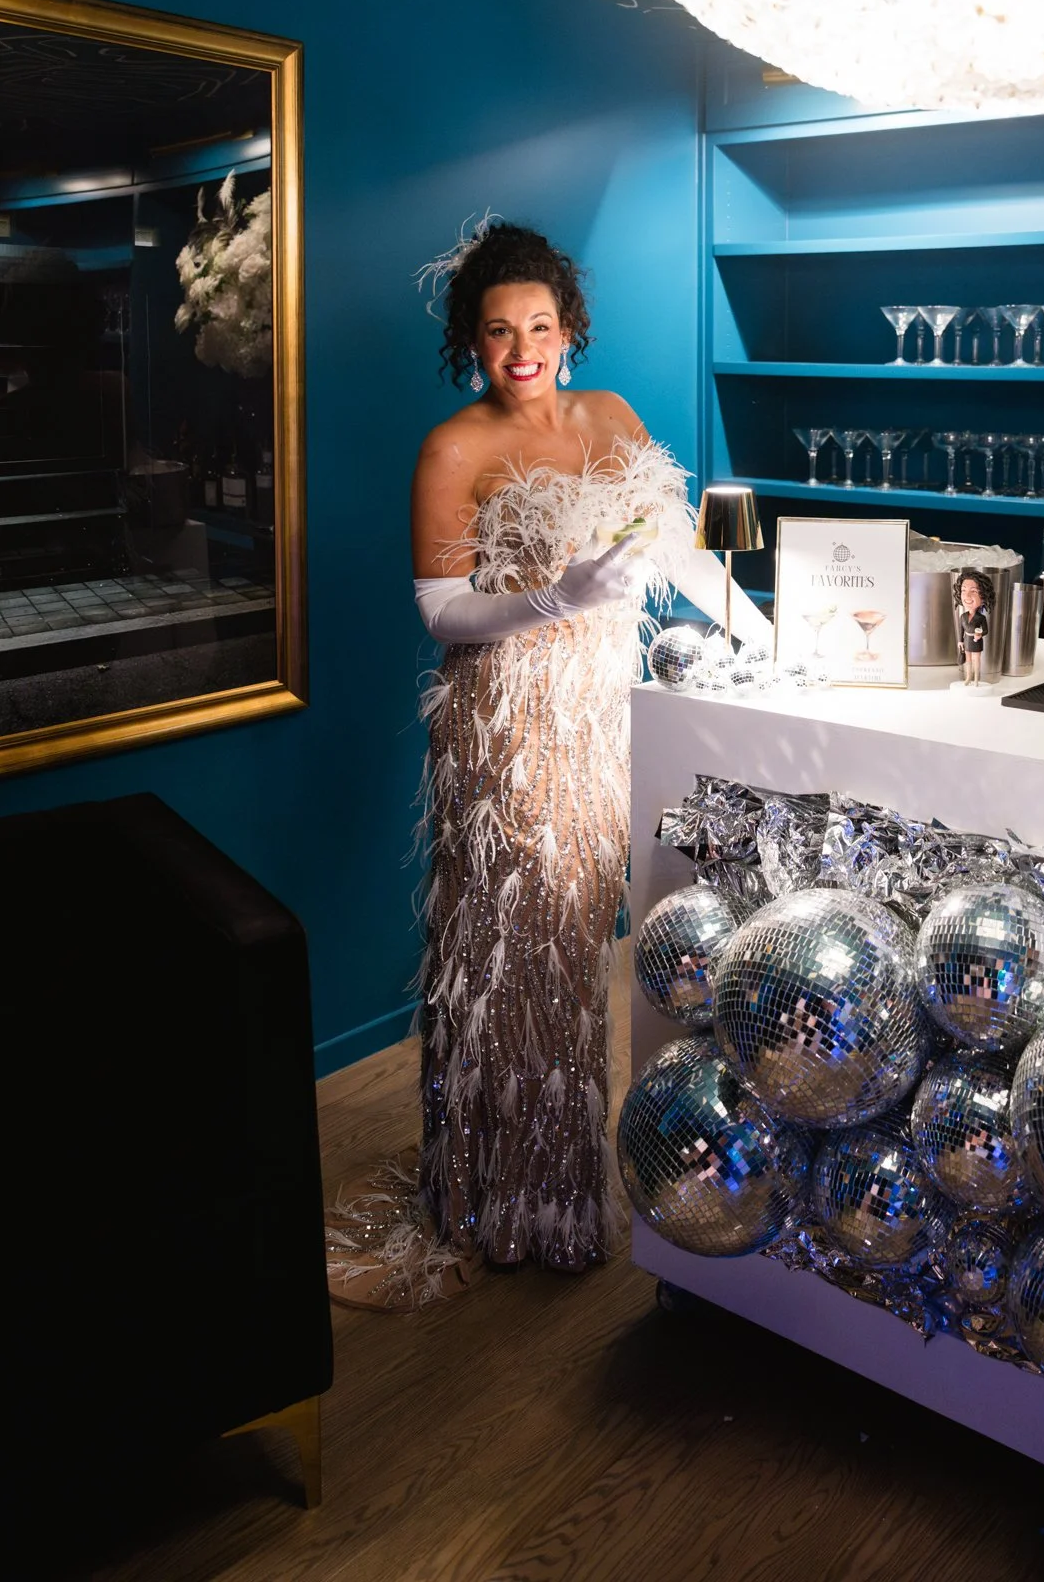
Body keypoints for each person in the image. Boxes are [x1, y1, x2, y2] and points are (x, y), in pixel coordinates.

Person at [326, 219, 763, 1307]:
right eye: (494, 331)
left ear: (570, 329)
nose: (519, 348)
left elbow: (673, 547)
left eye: (537, 325)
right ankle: (482, 1199)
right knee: (501, 957)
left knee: (571, 952)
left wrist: (758, 631)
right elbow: (439, 610)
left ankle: (557, 1201)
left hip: (598, 721)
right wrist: (554, 597)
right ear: (470, 343)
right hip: (504, 728)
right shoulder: (454, 448)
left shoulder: (611, 418)